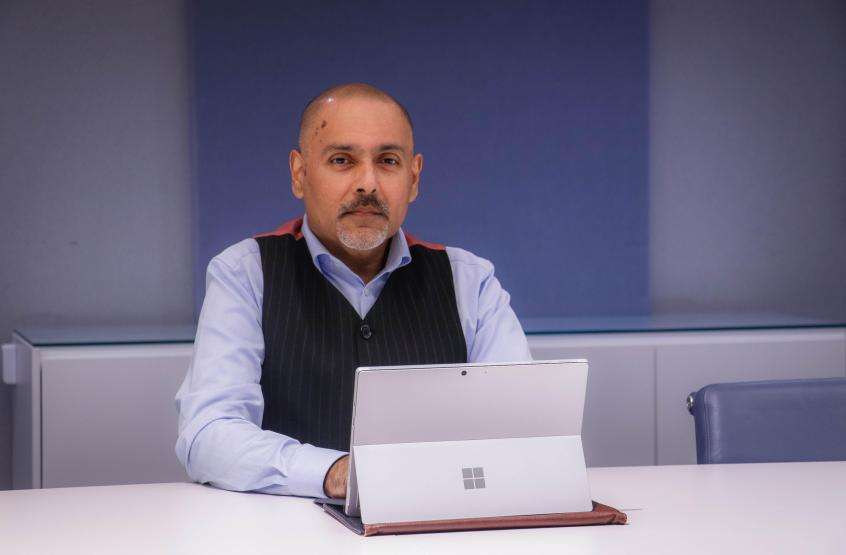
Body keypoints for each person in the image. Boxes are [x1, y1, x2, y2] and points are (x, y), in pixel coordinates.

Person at [175, 83, 531, 499]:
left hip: (438, 527)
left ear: (413, 178)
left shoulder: (469, 280)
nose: (368, 183)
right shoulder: (245, 272)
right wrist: (337, 473)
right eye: (342, 160)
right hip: (284, 533)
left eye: (388, 161)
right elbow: (208, 435)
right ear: (300, 174)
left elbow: (523, 426)